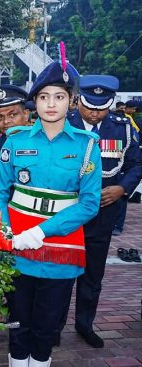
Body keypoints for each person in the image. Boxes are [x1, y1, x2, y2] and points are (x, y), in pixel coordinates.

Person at [0, 59, 101, 367]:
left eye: (59, 97)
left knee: (48, 322)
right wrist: (5, 233)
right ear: (34, 103)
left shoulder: (85, 146)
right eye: (44, 97)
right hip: (17, 247)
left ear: (71, 101)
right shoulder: (16, 140)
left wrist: (41, 232)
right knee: (18, 319)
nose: (51, 104)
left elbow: (88, 203)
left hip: (59, 247)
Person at [65, 75, 142, 348]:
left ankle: (85, 325)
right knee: (60, 274)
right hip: (66, 214)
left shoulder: (123, 129)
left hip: (102, 214)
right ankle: (52, 327)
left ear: (111, 104)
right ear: (78, 101)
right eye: (89, 106)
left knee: (93, 274)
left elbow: (136, 164)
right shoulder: (63, 124)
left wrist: (122, 188)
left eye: (101, 107)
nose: (95, 112)